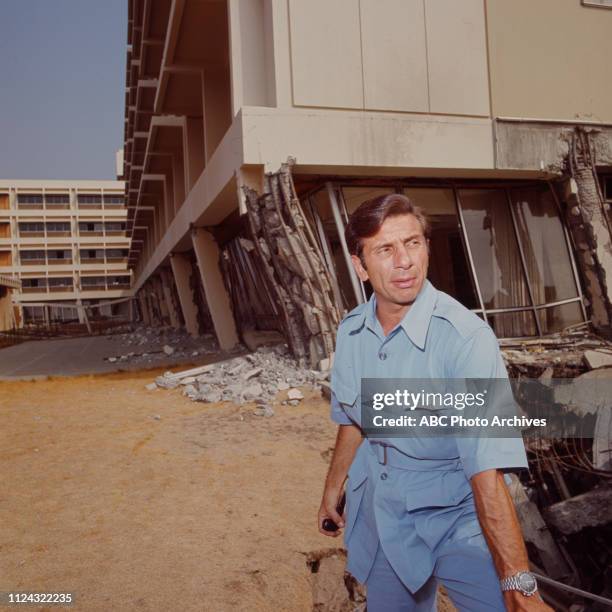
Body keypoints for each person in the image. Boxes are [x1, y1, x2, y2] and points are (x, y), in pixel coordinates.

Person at [317, 194, 552, 612]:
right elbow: (353, 419)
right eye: (385, 249)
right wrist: (332, 488)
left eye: (413, 243)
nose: (404, 261)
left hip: (458, 518)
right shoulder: (351, 332)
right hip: (383, 512)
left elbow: (485, 468)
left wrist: (518, 580)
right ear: (360, 266)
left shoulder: (466, 340)